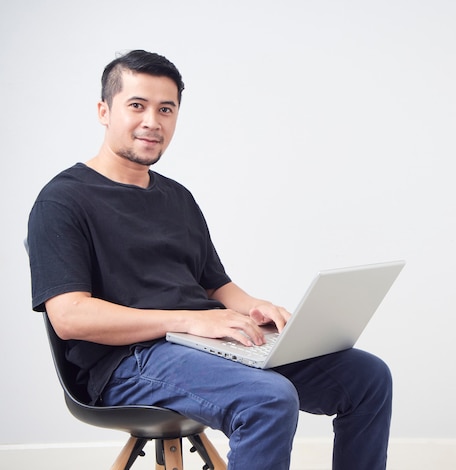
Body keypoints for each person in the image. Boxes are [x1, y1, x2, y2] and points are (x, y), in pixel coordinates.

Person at [27, 49, 392, 469]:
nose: (152, 121)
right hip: (128, 361)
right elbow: (71, 317)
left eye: (166, 109)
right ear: (104, 111)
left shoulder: (177, 198)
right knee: (268, 398)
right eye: (137, 106)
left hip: (203, 343)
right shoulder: (62, 200)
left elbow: (215, 285)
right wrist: (186, 321)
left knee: (367, 377)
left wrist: (255, 307)